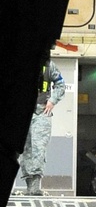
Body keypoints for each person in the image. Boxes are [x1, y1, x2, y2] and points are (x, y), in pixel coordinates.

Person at [19, 57, 66, 195]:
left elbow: (60, 84)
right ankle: (30, 188)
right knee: (25, 150)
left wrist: (52, 101)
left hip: (41, 112)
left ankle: (35, 187)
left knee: (38, 149)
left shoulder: (49, 65)